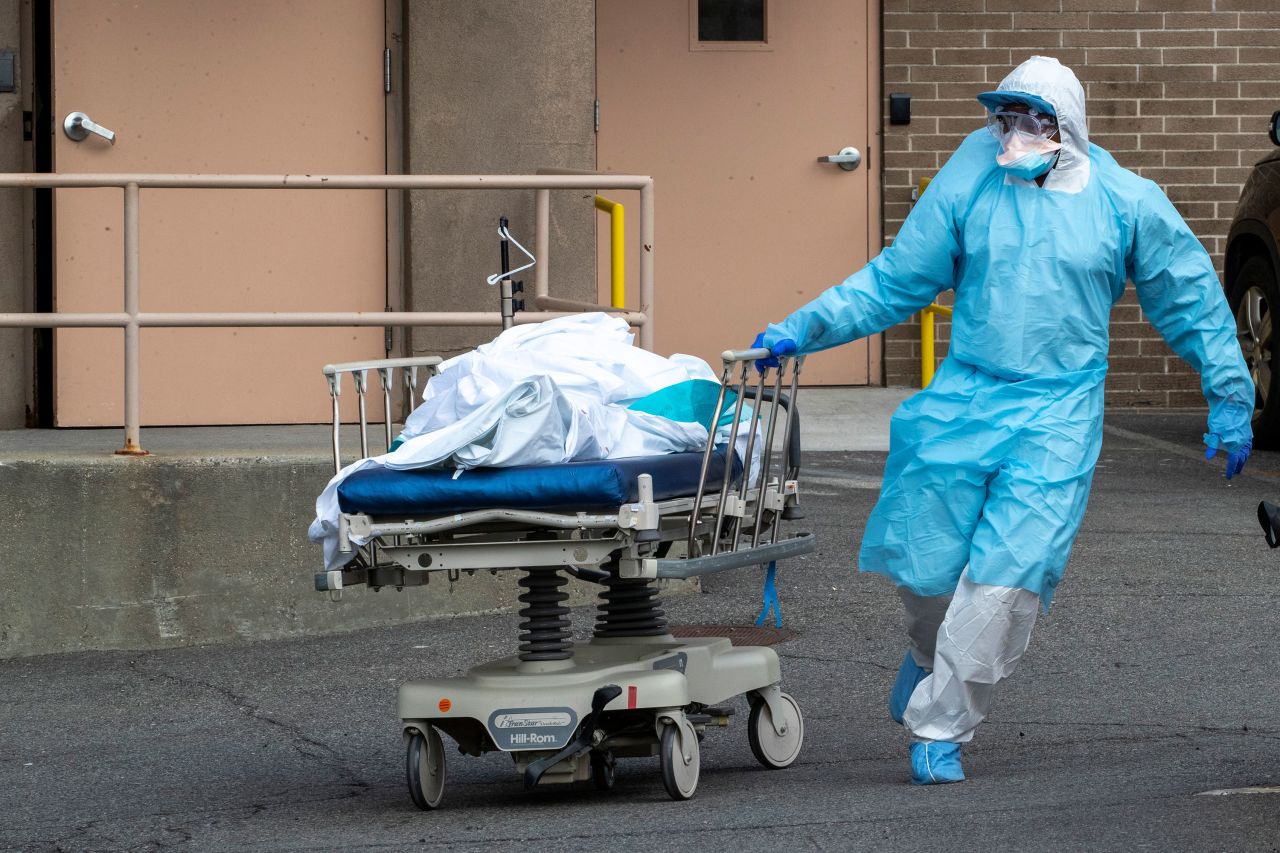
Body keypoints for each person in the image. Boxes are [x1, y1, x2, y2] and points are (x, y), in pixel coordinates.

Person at [752, 56, 1254, 785]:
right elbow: (898, 279)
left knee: (1004, 578)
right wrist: (807, 326)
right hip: (964, 396)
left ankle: (940, 724)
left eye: (1032, 120)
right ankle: (930, 658)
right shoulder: (970, 174)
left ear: (1067, 128)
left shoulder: (1125, 201)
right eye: (1005, 117)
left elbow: (1192, 298)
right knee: (925, 566)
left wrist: (1230, 394)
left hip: (1058, 412)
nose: (1013, 134)